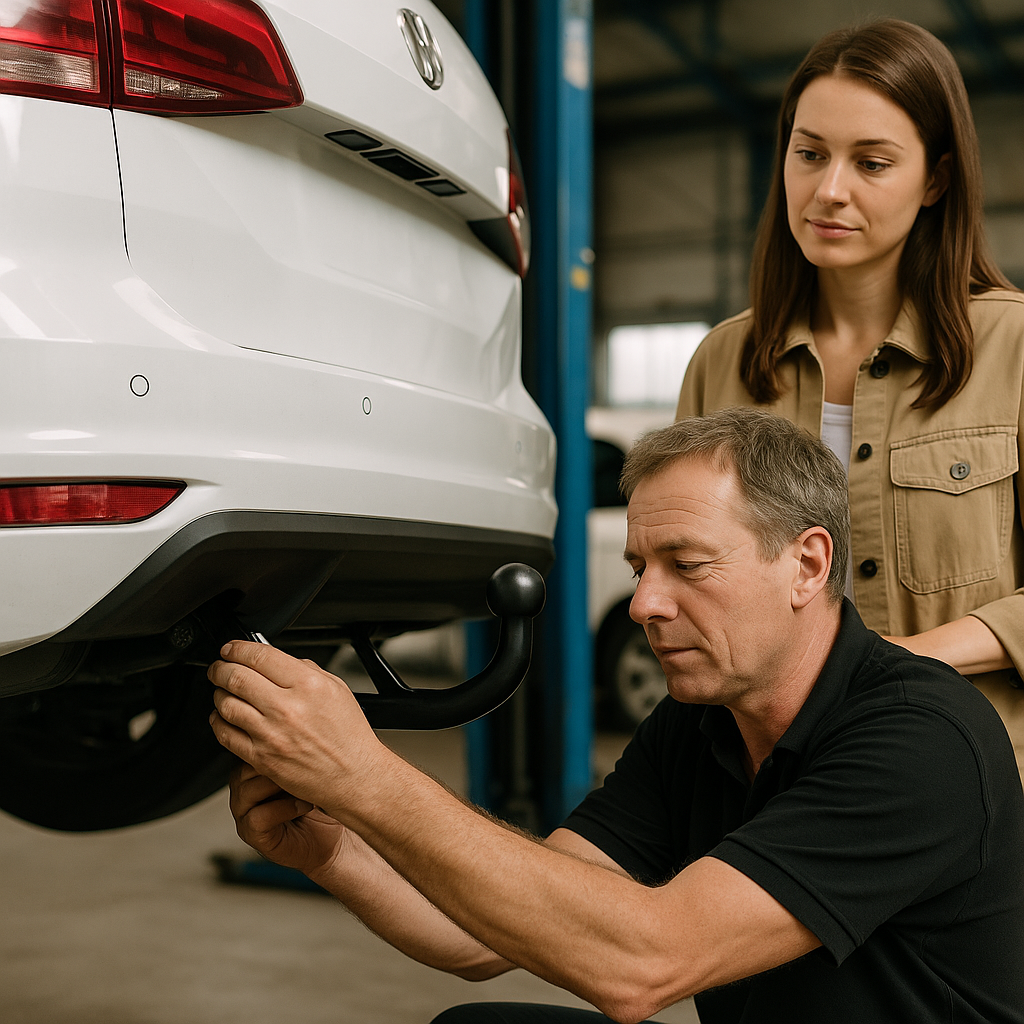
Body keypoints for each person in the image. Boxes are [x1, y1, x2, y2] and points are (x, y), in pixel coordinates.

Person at [209, 408, 1024, 1024]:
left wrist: (367, 774)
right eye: (639, 567)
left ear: (807, 564)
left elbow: (644, 963)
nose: (643, 603)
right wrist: (333, 848)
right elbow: (483, 936)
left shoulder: (922, 737)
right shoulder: (701, 724)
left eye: (687, 565)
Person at [675, 18, 1024, 776]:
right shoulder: (722, 363)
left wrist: (894, 663)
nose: (829, 190)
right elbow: (687, 578)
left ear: (934, 179)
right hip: (769, 783)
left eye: (871, 162)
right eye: (810, 155)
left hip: (965, 778)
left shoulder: (1014, 349)